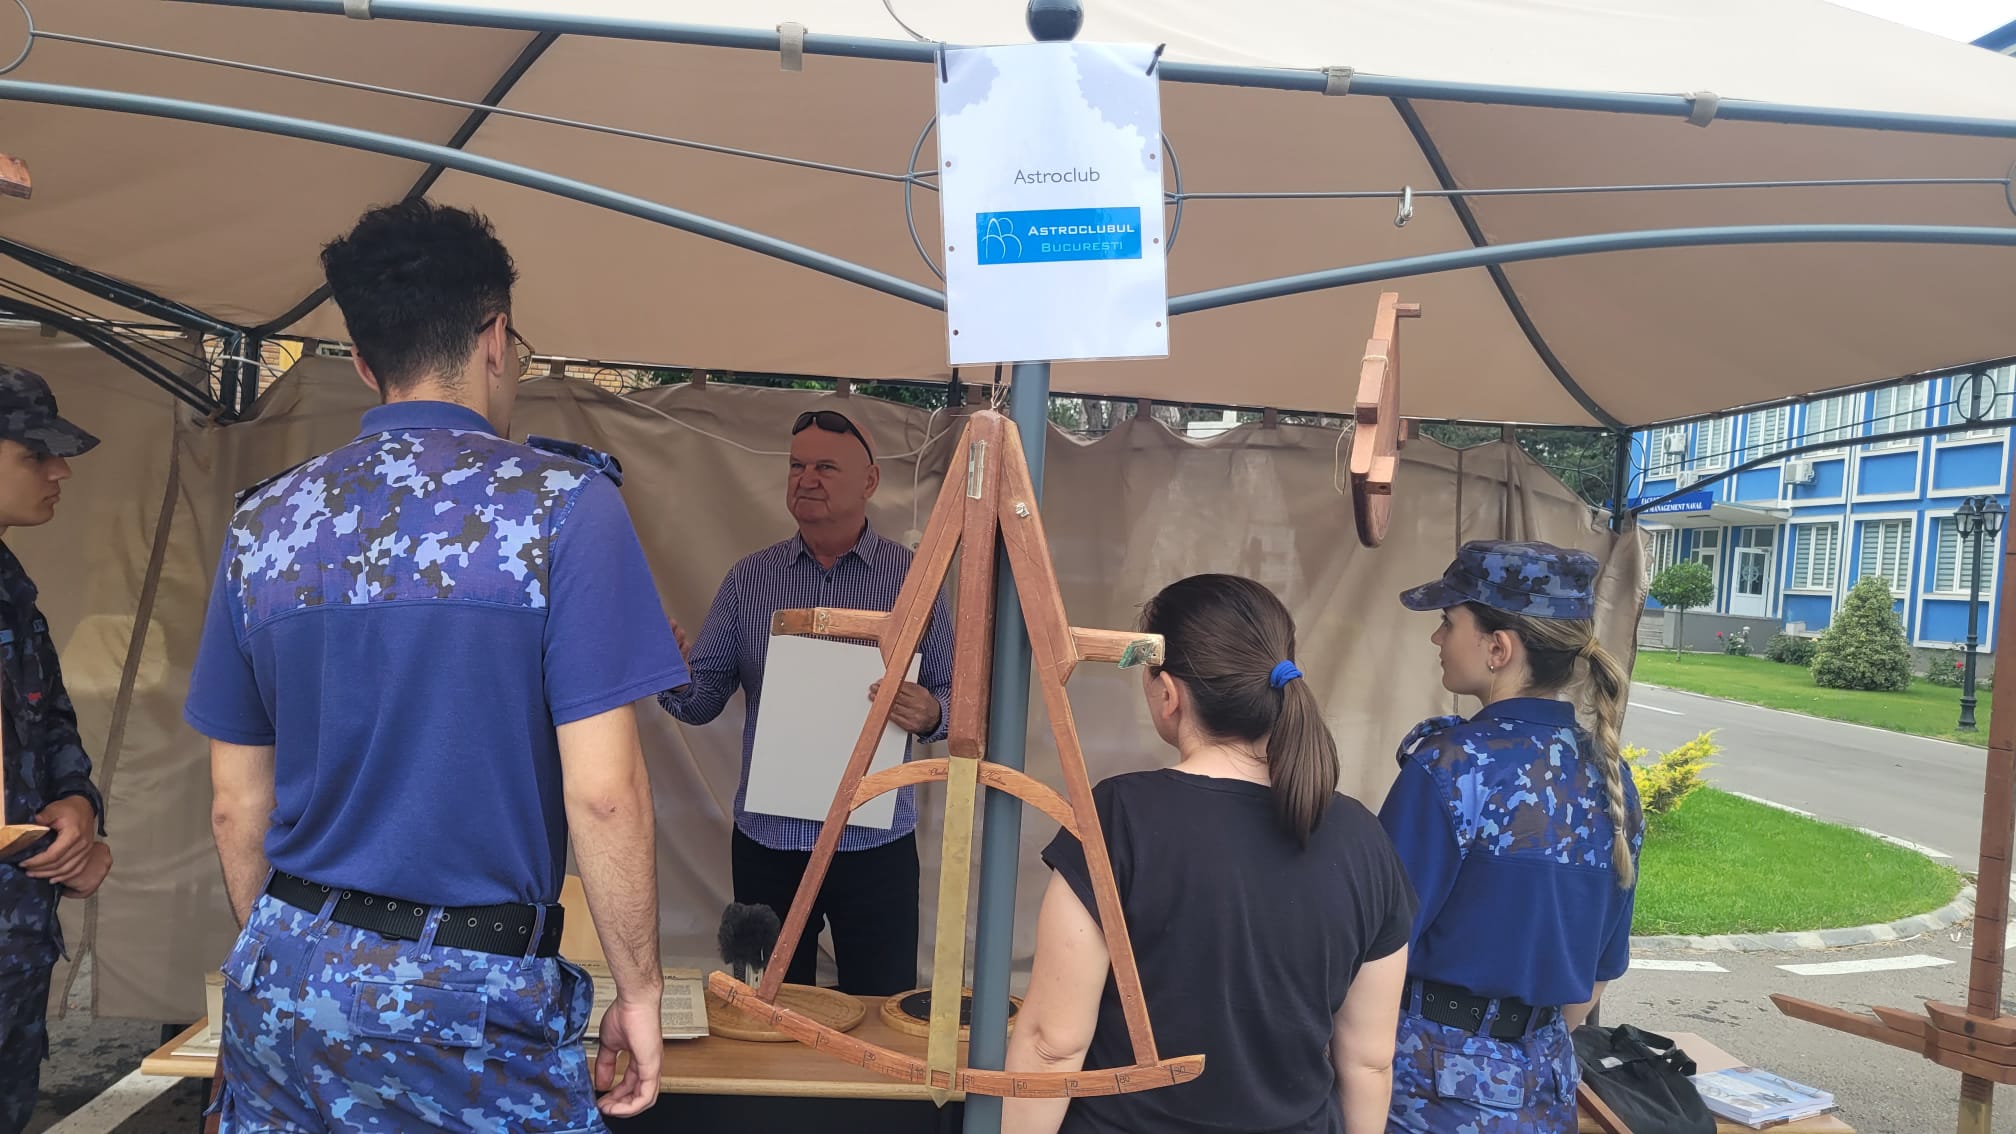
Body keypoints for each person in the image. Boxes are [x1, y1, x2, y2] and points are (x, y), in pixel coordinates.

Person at [183, 200, 687, 1133]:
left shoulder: (266, 524)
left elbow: (234, 804)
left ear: (363, 360)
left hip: (285, 973)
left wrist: (297, 966)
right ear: (495, 337)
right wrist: (640, 991)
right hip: (469, 1004)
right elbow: (605, 795)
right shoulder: (562, 507)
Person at [1004, 573, 1416, 1134]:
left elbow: (1053, 1044)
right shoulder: (1363, 838)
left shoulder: (1120, 816)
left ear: (1168, 693)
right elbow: (1369, 1061)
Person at [660, 407, 953, 997]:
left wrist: (932, 714)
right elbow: (703, 699)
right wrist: (669, 670)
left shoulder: (914, 581)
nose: (806, 479)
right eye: (796, 466)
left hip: (875, 842)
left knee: (881, 1009)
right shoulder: (749, 580)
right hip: (768, 844)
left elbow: (955, 693)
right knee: (761, 1008)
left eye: (825, 467)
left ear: (870, 482)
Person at [1379, 539, 1643, 1133]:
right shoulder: (1610, 778)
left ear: (1498, 648)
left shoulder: (1450, 767)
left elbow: (1374, 946)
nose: (1437, 638)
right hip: (1546, 1085)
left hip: (1429, 1092)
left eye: (1449, 622)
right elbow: (1599, 969)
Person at [0, 367, 112, 1134]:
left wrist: (77, 805)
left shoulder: (12, 589)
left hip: (16, 957)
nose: (59, 471)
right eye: (34, 454)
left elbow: (50, 724)